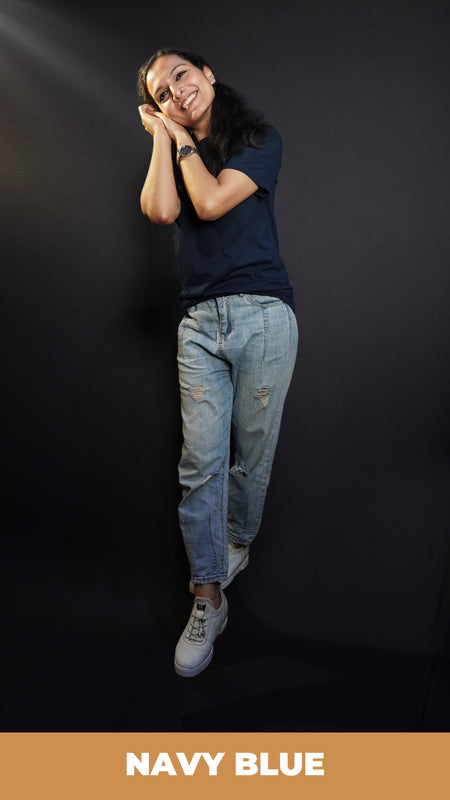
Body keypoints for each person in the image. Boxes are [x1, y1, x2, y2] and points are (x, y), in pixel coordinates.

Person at [137, 48, 298, 677]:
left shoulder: (258, 139)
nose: (175, 89)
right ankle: (207, 597)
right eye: (160, 89)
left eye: (181, 74)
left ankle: (235, 542)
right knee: (199, 463)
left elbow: (206, 202)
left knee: (251, 452)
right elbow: (161, 210)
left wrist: (178, 139)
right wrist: (166, 138)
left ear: (206, 75)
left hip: (263, 312)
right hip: (200, 325)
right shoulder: (175, 148)